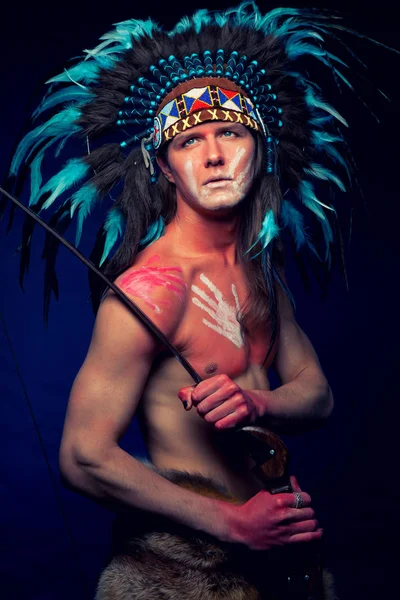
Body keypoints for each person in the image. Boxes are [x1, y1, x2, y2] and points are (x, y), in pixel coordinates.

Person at [7, 2, 392, 597]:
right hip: (182, 574)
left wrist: (256, 404)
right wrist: (233, 524)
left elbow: (319, 396)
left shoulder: (259, 270)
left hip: (281, 563)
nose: (213, 155)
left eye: (231, 133)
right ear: (163, 164)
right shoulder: (153, 289)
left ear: (261, 146)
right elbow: (83, 455)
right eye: (189, 141)